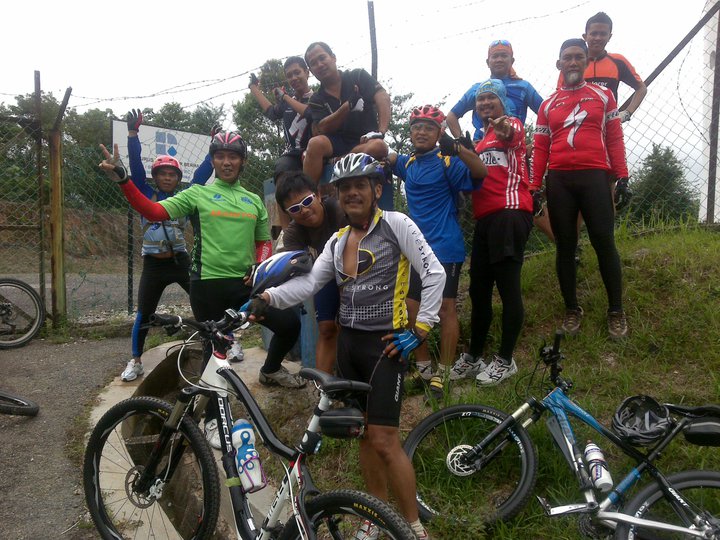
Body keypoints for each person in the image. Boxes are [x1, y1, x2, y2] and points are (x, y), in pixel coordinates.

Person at [250, 153, 444, 540]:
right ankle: (375, 515)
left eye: (360, 185)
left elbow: (434, 272)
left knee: (385, 440)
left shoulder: (396, 224)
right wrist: (268, 298)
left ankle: (413, 527)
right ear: (337, 194)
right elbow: (309, 285)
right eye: (345, 187)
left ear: (377, 189)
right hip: (349, 345)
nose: (352, 193)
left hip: (385, 346)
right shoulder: (337, 241)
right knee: (363, 435)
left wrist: (420, 329)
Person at [99, 131, 305, 445]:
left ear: (243, 162)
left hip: (245, 286)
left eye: (233, 156)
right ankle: (212, 421)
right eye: (220, 156)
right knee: (214, 355)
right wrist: (124, 180)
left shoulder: (253, 200)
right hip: (207, 286)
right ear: (212, 160)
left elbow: (264, 241)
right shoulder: (197, 194)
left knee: (289, 324)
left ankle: (271, 369)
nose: (227, 162)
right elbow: (153, 211)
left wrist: (259, 265)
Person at [385, 105, 487, 400]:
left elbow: (481, 172)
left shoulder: (448, 161)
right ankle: (424, 369)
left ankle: (444, 372)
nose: (421, 132)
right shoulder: (408, 164)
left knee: (445, 309)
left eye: (429, 127)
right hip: (415, 248)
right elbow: (384, 154)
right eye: (416, 127)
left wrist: (459, 148)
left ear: (439, 132)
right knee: (411, 308)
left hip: (445, 246)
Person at [531, 39, 630, 340]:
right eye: (567, 58)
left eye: (578, 57)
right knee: (565, 246)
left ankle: (616, 311)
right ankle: (572, 309)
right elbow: (540, 148)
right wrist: (534, 186)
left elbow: (614, 138)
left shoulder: (603, 95)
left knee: (604, 242)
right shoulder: (547, 104)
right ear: (559, 64)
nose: (573, 62)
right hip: (560, 181)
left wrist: (623, 177)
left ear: (586, 62)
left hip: (595, 177)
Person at [119, 109, 225, 382]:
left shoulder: (186, 196)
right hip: (153, 265)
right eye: (162, 174)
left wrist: (213, 145)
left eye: (172, 174)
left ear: (178, 178)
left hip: (180, 261)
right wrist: (133, 134)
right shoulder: (146, 193)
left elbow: (201, 174)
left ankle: (222, 345)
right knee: (144, 313)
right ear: (155, 177)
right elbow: (136, 168)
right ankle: (136, 360)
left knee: (205, 304)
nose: (167, 177)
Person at [467, 80, 534, 386]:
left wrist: (503, 126)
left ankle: (506, 360)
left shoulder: (512, 123)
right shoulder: (481, 140)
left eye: (490, 98)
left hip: (509, 212)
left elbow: (510, 133)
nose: (484, 103)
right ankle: (473, 356)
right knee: (478, 290)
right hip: (485, 218)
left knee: (508, 288)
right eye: (480, 99)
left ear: (503, 101)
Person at [302, 42, 394, 210]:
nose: (319, 64)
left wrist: (381, 131)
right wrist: (347, 107)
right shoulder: (316, 99)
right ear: (311, 71)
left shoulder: (357, 76)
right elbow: (322, 128)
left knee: (380, 146)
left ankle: (340, 161)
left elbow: (382, 96)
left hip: (366, 140)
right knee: (314, 144)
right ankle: (308, 199)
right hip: (337, 142)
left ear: (333, 58)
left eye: (322, 58)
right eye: (313, 63)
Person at [274, 170, 347, 374]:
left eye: (307, 201)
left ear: (318, 195)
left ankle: (351, 378)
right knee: (326, 328)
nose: (304, 210)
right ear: (288, 213)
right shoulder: (292, 234)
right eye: (295, 208)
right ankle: (323, 386)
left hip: (356, 272)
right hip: (326, 274)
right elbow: (292, 269)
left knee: (350, 326)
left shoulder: (339, 210)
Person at [248, 57, 314, 235]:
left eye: (297, 72)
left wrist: (284, 97)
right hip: (293, 154)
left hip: (314, 152)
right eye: (289, 75)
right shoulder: (286, 102)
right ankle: (287, 232)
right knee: (281, 167)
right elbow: (271, 112)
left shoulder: (317, 98)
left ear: (307, 72)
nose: (294, 78)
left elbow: (310, 114)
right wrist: (254, 88)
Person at [446, 39, 543, 142]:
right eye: (495, 56)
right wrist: (464, 143)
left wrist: (535, 145)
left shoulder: (524, 87)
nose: (499, 60)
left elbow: (546, 114)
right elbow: (451, 116)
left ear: (512, 61)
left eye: (504, 56)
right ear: (488, 62)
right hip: (480, 147)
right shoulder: (477, 89)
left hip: (513, 146)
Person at [559, 12, 647, 122]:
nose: (598, 38)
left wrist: (627, 113)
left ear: (609, 36)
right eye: (594, 33)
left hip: (608, 127)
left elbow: (641, 88)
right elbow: (559, 96)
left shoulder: (618, 61)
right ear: (585, 36)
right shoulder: (572, 64)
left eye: (603, 34)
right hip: (577, 126)